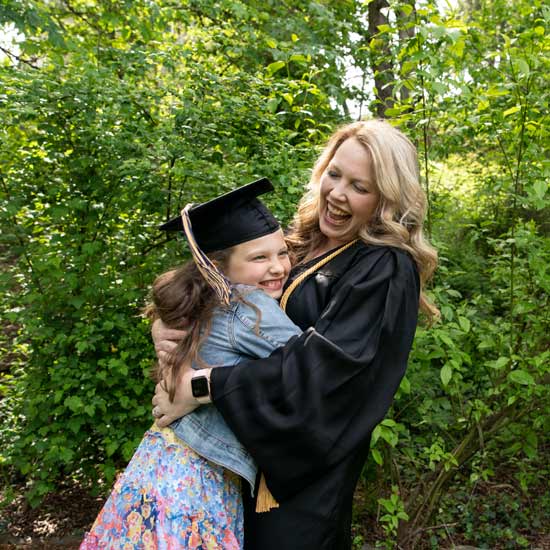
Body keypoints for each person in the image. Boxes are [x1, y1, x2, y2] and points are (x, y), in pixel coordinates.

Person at [152, 119, 439, 550]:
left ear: (386, 199)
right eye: (335, 174)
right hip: (243, 464)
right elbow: (223, 292)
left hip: (302, 483)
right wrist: (166, 328)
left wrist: (201, 385)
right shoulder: (302, 244)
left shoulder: (382, 267)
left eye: (360, 187)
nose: (338, 193)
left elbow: (327, 370)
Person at [80, 179, 302, 549]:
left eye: (282, 253)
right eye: (259, 258)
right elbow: (311, 365)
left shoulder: (199, 299)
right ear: (218, 266)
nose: (278, 267)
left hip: (159, 464)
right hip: (197, 479)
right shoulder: (248, 304)